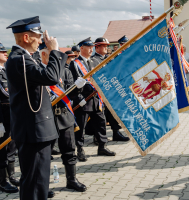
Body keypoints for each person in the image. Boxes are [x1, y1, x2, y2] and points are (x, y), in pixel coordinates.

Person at [6, 16, 68, 200]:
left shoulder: (26, 58)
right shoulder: (19, 60)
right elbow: (51, 78)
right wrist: (54, 50)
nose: (41, 41)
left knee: (39, 181)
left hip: (37, 129)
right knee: (34, 182)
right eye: (38, 36)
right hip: (33, 130)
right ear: (26, 37)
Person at [39, 41, 87, 192]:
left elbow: (69, 93)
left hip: (65, 117)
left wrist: (78, 88)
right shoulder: (38, 71)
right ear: (43, 54)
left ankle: (71, 180)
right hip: (47, 119)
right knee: (45, 155)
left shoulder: (64, 71)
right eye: (52, 53)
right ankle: (43, 186)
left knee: (69, 151)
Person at [69, 37, 115, 162]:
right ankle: (80, 149)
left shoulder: (94, 61)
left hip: (95, 99)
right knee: (80, 127)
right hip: (83, 100)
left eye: (92, 47)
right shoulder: (75, 63)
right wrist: (78, 98)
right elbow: (72, 83)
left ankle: (102, 146)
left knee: (101, 124)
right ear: (82, 48)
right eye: (88, 47)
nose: (91, 49)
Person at [92, 37, 129, 142]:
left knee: (113, 113)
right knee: (100, 116)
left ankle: (116, 133)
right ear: (97, 47)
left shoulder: (108, 58)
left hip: (110, 91)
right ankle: (97, 136)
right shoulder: (93, 60)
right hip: (99, 92)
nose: (106, 48)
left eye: (107, 46)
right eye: (104, 46)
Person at [0, 42, 19, 193]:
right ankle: (2, 180)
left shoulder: (6, 70)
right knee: (2, 148)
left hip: (11, 113)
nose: (5, 53)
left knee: (11, 145)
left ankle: (11, 175)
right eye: (2, 52)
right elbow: (7, 93)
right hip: (1, 115)